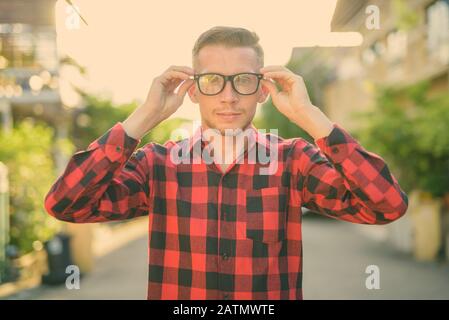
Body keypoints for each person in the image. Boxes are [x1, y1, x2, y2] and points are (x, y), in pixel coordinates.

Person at [44, 26, 408, 300]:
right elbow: (66, 203)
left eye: (244, 81)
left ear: (263, 89)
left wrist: (310, 116)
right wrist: (145, 115)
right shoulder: (157, 164)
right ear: (194, 90)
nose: (229, 97)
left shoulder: (293, 161)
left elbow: (386, 206)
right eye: (213, 81)